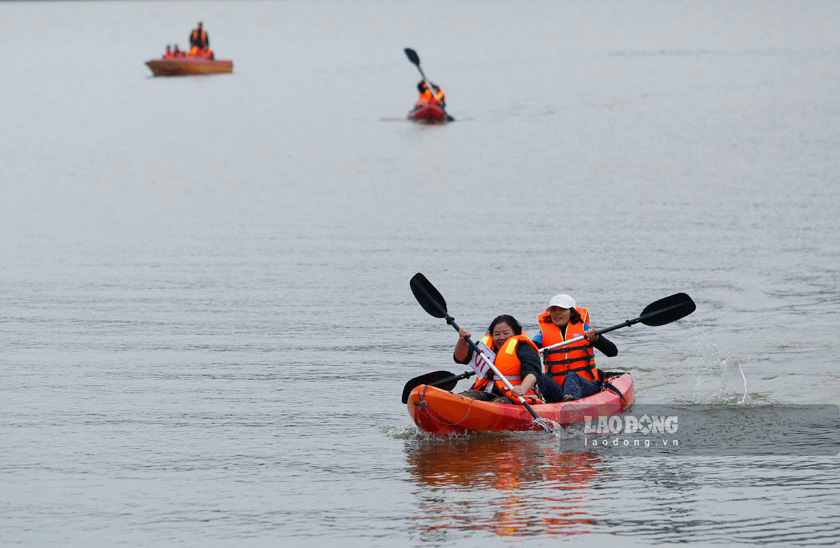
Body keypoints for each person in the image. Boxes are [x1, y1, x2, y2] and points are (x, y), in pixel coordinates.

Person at [533, 294, 618, 402]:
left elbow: (613, 352)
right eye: (554, 309)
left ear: (572, 312)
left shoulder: (586, 330)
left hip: (587, 385)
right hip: (558, 389)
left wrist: (596, 339)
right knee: (538, 376)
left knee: (572, 376)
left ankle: (569, 402)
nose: (557, 313)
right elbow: (529, 350)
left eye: (562, 309)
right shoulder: (543, 335)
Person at [453, 315, 542, 404]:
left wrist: (522, 389)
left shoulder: (524, 348)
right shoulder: (484, 348)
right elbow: (460, 358)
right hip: (486, 391)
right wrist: (462, 340)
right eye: (497, 334)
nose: (501, 337)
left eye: (505, 333)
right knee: (460, 398)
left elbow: (533, 374)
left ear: (516, 333)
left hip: (514, 394)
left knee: (498, 402)